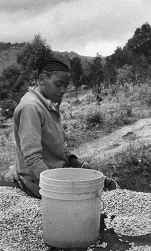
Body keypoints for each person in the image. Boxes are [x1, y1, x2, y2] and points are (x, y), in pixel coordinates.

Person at [13, 57, 119, 198]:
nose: (63, 90)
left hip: (55, 174)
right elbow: (32, 158)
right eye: (58, 84)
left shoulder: (46, 105)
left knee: (107, 184)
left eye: (66, 86)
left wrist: (78, 164)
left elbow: (54, 145)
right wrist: (56, 187)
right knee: (93, 196)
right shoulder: (31, 107)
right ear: (41, 79)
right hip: (37, 180)